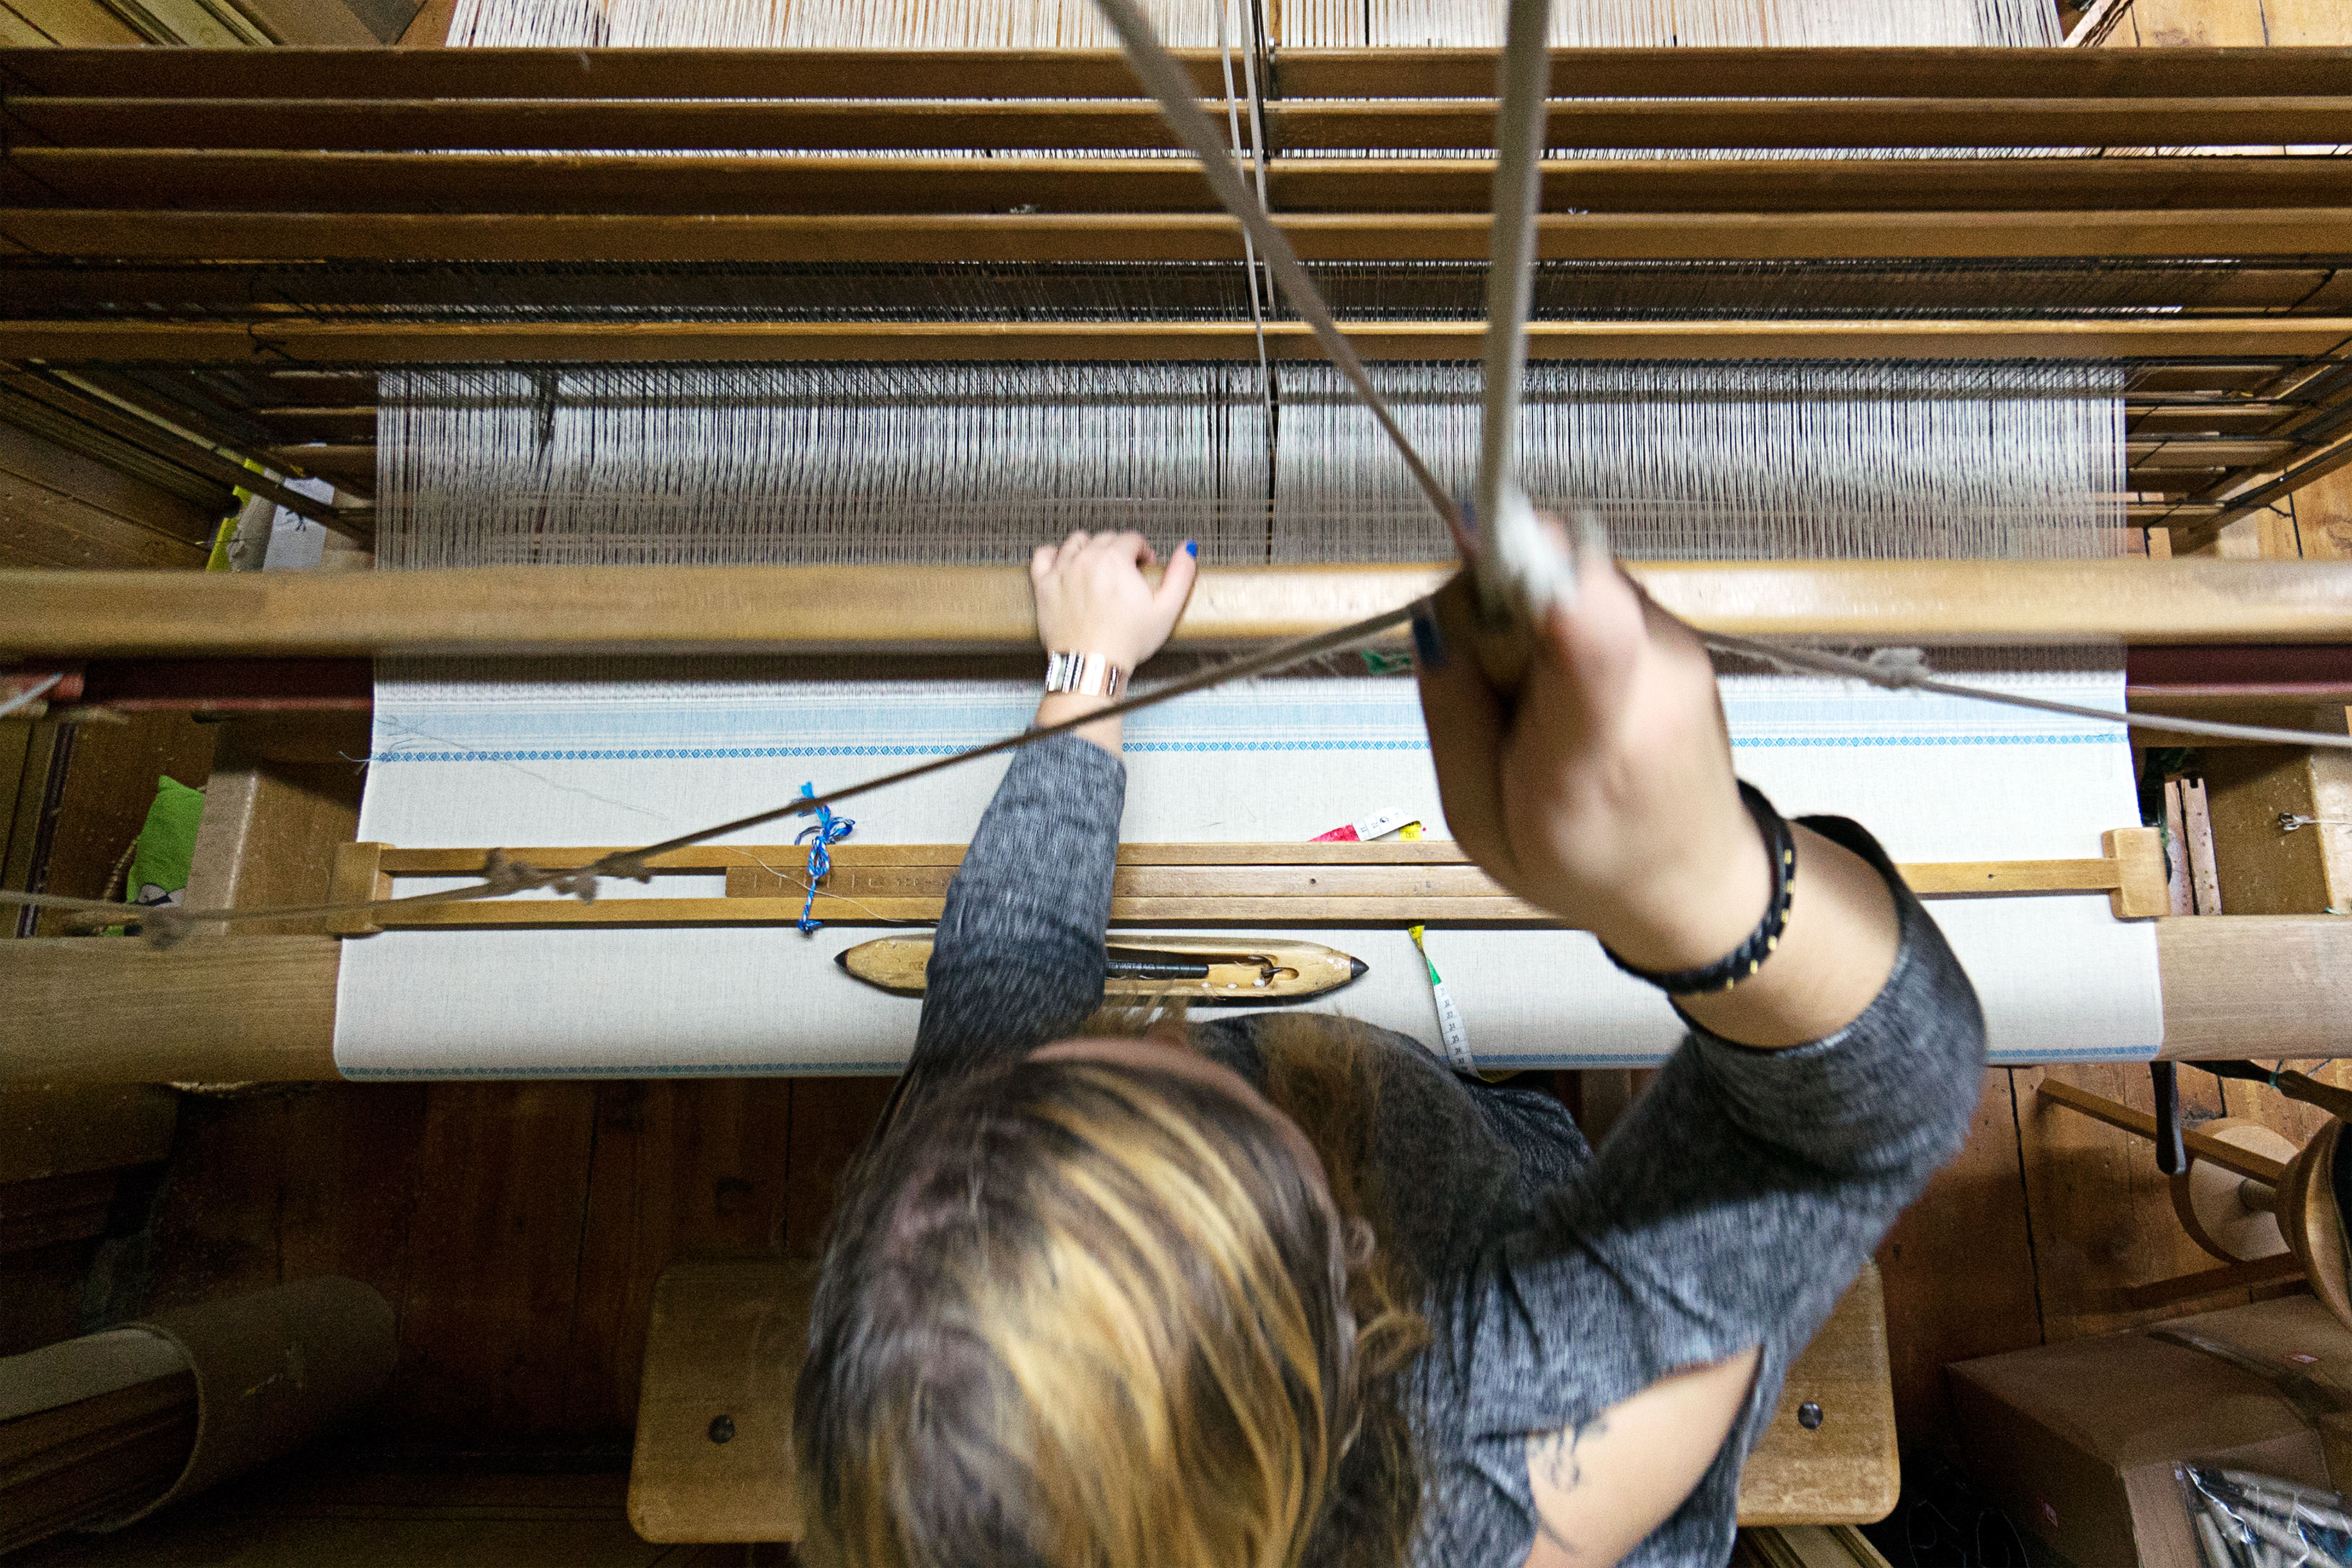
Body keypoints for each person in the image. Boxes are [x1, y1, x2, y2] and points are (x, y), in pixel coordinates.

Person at [795, 529, 1985, 1568]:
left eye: (1083, 1062)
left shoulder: (958, 1208)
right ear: (1339, 1271)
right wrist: (1696, 889)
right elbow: (1846, 1130)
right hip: (1524, 1227)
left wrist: (1086, 672)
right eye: (1192, 1088)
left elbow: (1009, 971)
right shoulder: (1487, 1445)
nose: (1161, 1029)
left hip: (1456, 1159)